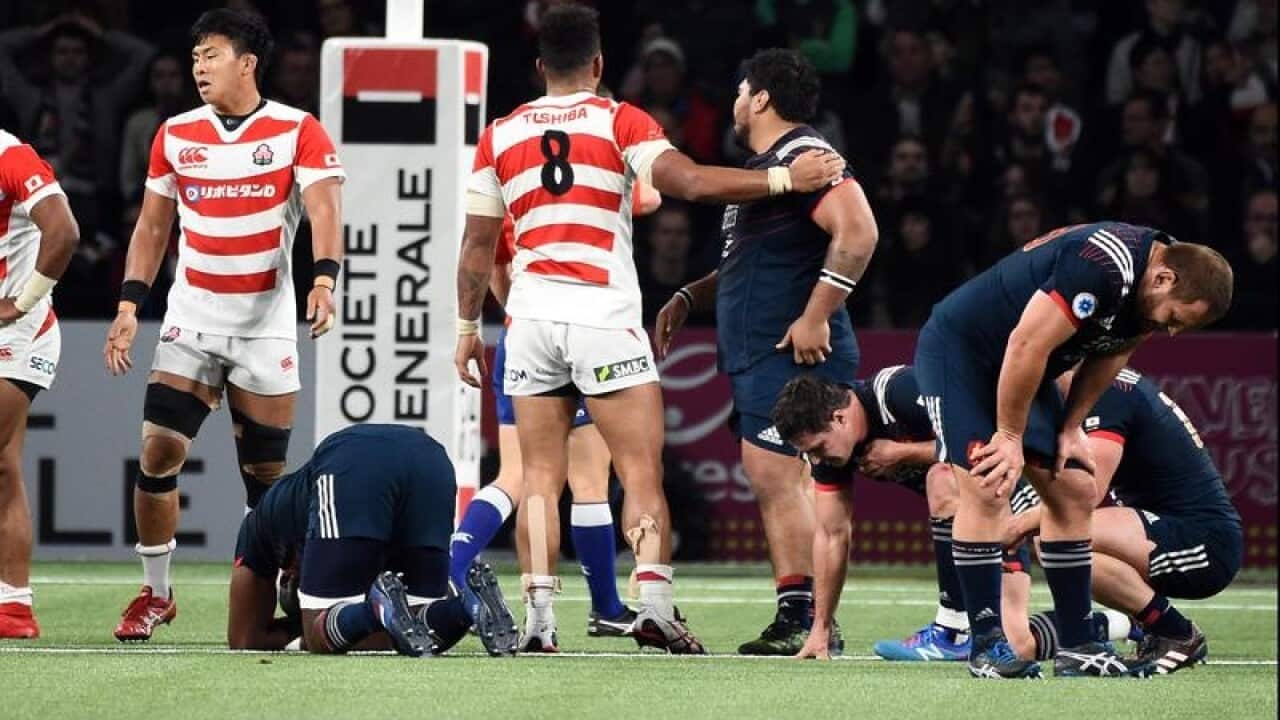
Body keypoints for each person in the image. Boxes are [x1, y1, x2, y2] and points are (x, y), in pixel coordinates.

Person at [454, 5, 844, 655]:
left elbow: (476, 246)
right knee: (638, 474)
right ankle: (655, 609)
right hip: (603, 318)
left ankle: (539, 622)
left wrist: (467, 326)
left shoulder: (500, 133)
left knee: (538, 479)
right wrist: (782, 177)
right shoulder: (619, 118)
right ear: (601, 64)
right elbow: (686, 181)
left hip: (531, 321)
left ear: (540, 65)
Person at [103, 9, 345, 642]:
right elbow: (153, 228)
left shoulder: (298, 130)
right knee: (159, 450)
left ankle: (281, 591)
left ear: (247, 62)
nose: (199, 67)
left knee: (265, 482)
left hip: (265, 327)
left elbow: (324, 210)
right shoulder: (176, 133)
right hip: (191, 318)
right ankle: (155, 594)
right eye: (194, 57)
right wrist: (130, 305)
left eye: (211, 54)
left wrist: (323, 280)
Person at [914, 221, 1233, 678]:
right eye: (1177, 318)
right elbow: (1025, 343)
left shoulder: (1147, 291)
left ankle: (1079, 645)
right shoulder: (1101, 264)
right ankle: (986, 646)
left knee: (1076, 488)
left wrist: (1070, 426)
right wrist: (1007, 436)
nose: (1173, 332)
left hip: (1024, 364)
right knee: (989, 482)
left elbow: (1111, 352)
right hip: (962, 353)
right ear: (1164, 279)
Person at [652, 48, 875, 656]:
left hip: (791, 350)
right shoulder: (769, 168)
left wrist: (816, 314)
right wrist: (690, 295)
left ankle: (807, 618)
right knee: (773, 477)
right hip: (762, 349)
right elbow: (749, 265)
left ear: (760, 99)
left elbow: (859, 231)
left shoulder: (805, 155)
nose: (734, 101)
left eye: (739, 90)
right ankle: (800, 614)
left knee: (784, 477)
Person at [451, 182, 660, 652]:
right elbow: (652, 198)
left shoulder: (513, 198)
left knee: (518, 475)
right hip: (588, 332)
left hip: (523, 338)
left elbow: (496, 271)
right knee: (588, 477)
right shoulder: (585, 187)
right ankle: (606, 607)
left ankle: (455, 567)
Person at [769, 368, 1078, 663]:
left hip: (1020, 483)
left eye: (819, 448)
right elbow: (831, 533)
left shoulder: (898, 392)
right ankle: (1109, 625)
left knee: (942, 477)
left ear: (839, 418)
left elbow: (983, 437)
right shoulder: (832, 451)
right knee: (1017, 644)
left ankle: (952, 630)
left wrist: (902, 452)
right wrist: (820, 628)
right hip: (981, 515)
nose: (818, 459)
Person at [1004, 368, 1241, 675]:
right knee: (1061, 543)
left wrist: (1015, 525)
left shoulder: (1108, 392)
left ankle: (1174, 632)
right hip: (1166, 527)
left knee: (1054, 534)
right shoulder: (1102, 385)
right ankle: (1116, 629)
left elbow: (1086, 495)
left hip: (1205, 541)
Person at [227, 424, 518, 657]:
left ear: (290, 572)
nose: (291, 584)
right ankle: (470, 605)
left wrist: (306, 628)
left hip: (350, 459)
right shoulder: (301, 533)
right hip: (430, 459)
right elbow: (395, 633)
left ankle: (372, 609)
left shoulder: (259, 526)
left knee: (320, 635)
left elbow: (243, 638)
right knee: (417, 631)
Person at [0, 130, 80, 639]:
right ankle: (14, 607)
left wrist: (21, 302)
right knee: (4, 467)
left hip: (16, 333)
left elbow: (64, 232)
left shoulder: (10, 154)